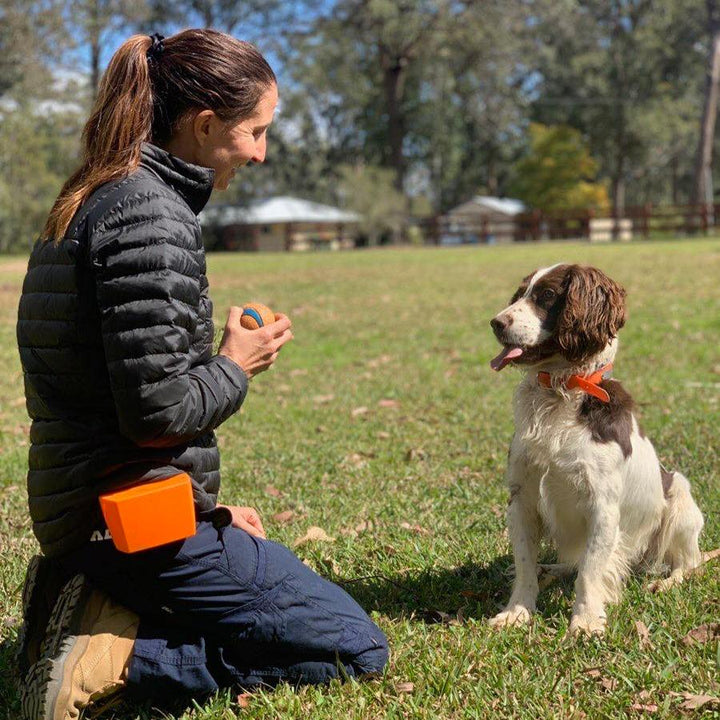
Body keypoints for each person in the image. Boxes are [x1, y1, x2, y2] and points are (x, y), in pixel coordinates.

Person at [16, 29, 388, 719]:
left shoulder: (100, 193)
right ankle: (121, 659)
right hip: (121, 527)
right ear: (205, 123)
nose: (260, 152)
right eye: (254, 131)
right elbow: (155, 414)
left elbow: (108, 400)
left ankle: (89, 602)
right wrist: (235, 365)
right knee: (352, 646)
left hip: (103, 510)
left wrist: (203, 509)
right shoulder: (147, 217)